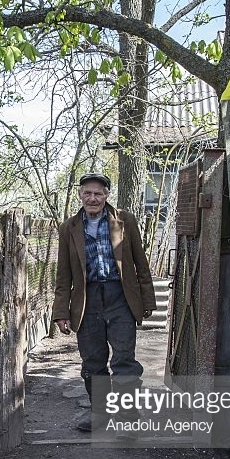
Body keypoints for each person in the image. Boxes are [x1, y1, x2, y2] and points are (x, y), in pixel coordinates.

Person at [52, 172, 156, 431]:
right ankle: (101, 415)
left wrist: (147, 299)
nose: (93, 198)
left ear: (107, 195)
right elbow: (63, 275)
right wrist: (61, 311)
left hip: (119, 297)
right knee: (93, 362)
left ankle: (127, 417)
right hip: (87, 302)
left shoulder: (125, 221)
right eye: (87, 193)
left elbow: (140, 263)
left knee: (124, 360)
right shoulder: (68, 228)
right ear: (80, 195)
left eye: (98, 193)